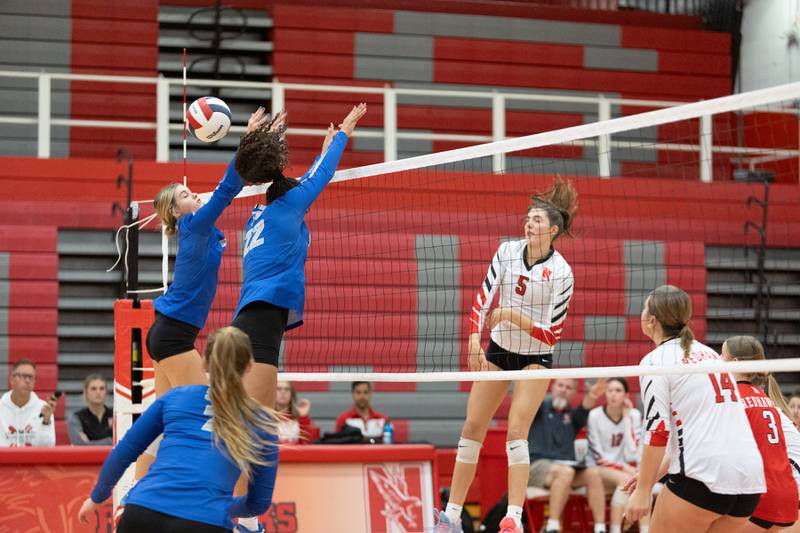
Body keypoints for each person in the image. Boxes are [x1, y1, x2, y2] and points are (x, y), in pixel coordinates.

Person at [230, 103, 366, 532]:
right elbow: (318, 178)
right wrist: (343, 133)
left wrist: (254, 139)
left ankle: (240, 513)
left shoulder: (258, 213)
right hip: (262, 322)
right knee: (254, 424)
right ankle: (242, 517)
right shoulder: (287, 206)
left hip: (249, 319)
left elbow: (298, 179)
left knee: (247, 421)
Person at [137, 107, 277, 473]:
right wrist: (247, 139)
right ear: (176, 211)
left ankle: (131, 501)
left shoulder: (199, 229)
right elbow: (228, 188)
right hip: (173, 338)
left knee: (161, 429)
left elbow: (224, 189)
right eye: (184, 194)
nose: (192, 194)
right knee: (208, 415)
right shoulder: (195, 226)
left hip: (167, 334)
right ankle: (203, 494)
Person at [435, 178, 578, 533]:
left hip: (536, 356)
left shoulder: (562, 273)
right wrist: (473, 340)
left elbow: (551, 334)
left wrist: (512, 315)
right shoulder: (506, 251)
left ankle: (512, 517)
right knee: (471, 427)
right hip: (499, 349)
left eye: (538, 220)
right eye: (527, 218)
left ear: (554, 230)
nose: (529, 224)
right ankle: (451, 515)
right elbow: (483, 299)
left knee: (516, 430)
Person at [77, 327, 278, 533]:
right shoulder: (260, 421)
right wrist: (221, 505)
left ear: (203, 361)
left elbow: (124, 451)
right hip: (203, 523)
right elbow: (258, 503)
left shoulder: (177, 397)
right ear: (250, 366)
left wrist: (97, 497)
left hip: (142, 513)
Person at [624, 285, 766, 533]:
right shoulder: (710, 354)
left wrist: (643, 490)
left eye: (644, 308)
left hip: (704, 478)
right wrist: (651, 475)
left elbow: (658, 429)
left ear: (652, 321)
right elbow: (698, 430)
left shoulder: (656, 361)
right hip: (749, 481)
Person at [721, 335, 798, 532]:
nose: (718, 362)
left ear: (735, 364)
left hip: (766, 494)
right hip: (787, 492)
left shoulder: (733, 399)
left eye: (722, 356)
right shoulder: (763, 397)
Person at [528, 378, 609, 533]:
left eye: (568, 387)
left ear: (573, 394)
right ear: (552, 387)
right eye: (560, 385)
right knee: (565, 472)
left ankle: (600, 528)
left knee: (593, 473)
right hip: (536, 467)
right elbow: (526, 397)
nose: (563, 390)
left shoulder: (572, 416)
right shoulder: (539, 409)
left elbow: (585, 407)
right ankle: (552, 527)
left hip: (566, 470)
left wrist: (592, 395)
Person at [586, 377, 648, 533]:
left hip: (625, 469)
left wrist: (627, 418)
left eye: (618, 391)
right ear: (605, 394)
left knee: (640, 484)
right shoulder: (594, 415)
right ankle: (614, 530)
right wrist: (623, 467)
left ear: (626, 395)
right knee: (626, 480)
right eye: (609, 390)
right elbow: (598, 457)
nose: (613, 394)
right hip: (600, 469)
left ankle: (646, 529)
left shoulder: (633, 415)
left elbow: (633, 452)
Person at [0, 359, 56, 447]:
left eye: (31, 377)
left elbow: (48, 448)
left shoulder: (44, 408)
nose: (27, 381)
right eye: (24, 376)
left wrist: (46, 421)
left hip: (34, 460)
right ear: (11, 379)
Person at [69, 374, 113, 445]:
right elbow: (79, 444)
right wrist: (109, 441)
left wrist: (89, 443)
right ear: (86, 392)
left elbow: (122, 442)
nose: (98, 392)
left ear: (106, 392)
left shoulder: (115, 415)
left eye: (102, 388)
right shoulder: (77, 417)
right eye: (93, 389)